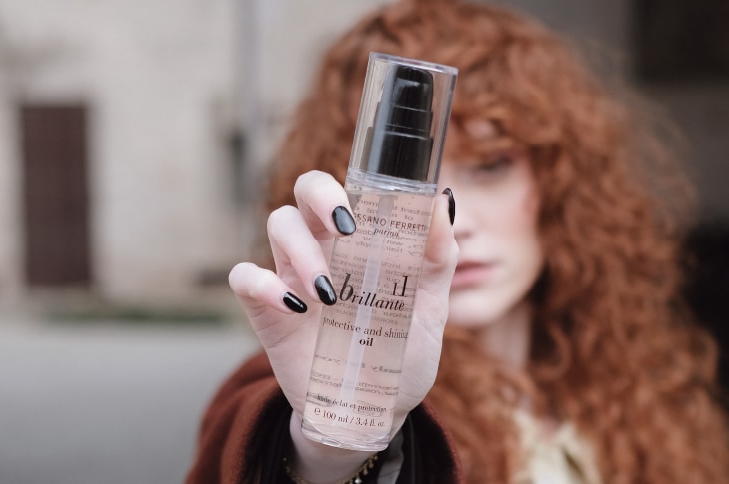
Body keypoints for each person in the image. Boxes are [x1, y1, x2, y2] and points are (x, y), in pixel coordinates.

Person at [185, 0, 729, 482]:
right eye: (418, 183)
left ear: (563, 184)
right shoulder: (300, 381)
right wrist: (328, 449)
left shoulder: (637, 382)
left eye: (491, 166)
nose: (452, 221)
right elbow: (251, 447)